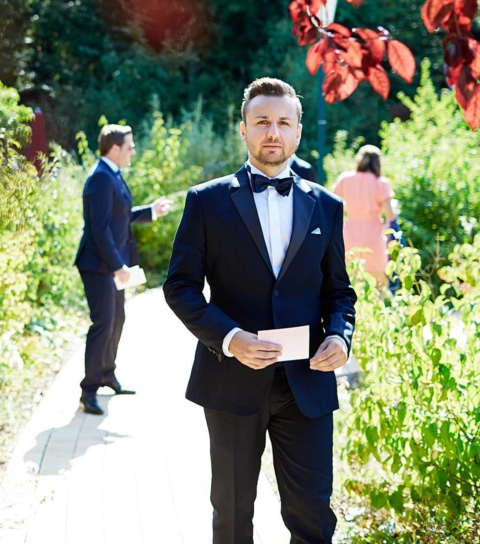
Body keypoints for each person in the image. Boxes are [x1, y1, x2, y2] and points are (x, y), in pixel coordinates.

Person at [164, 77, 356, 544]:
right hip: (230, 383)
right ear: (244, 130)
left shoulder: (327, 206)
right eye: (263, 122)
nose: (273, 131)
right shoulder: (205, 201)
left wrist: (339, 335)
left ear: (297, 131)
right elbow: (181, 287)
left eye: (283, 122)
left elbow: (340, 292)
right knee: (231, 517)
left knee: (313, 515)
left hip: (305, 385)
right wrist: (231, 339)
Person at [74, 123, 173, 416]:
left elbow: (121, 216)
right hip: (98, 266)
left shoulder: (112, 175)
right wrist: (118, 266)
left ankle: (106, 374)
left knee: (117, 321)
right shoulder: (100, 179)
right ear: (114, 149)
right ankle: (88, 390)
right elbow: (99, 229)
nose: (133, 151)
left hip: (111, 265)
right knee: (103, 324)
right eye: (129, 146)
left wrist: (152, 211)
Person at [330, 145, 398, 291]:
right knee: (379, 283)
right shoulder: (381, 183)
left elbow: (331, 204)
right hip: (374, 236)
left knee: (352, 280)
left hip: (349, 234)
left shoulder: (345, 179)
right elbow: (390, 215)